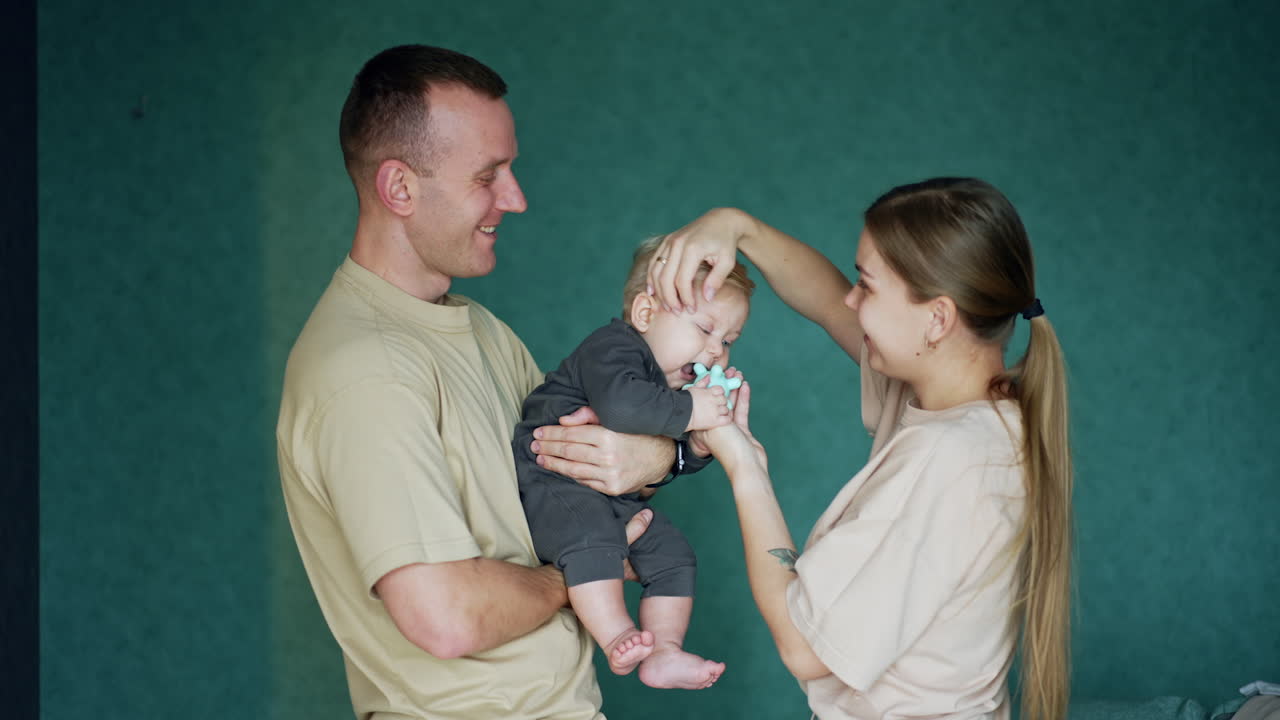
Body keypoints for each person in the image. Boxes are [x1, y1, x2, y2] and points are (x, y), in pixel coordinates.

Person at [276, 45, 681, 720]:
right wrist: (574, 577)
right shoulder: (365, 371)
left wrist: (657, 455)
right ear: (399, 188)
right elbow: (446, 619)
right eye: (487, 176)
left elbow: (590, 470)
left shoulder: (479, 330)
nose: (516, 199)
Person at [645, 178, 1072, 720]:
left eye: (867, 286)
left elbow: (806, 648)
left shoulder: (953, 458)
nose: (851, 297)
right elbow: (826, 300)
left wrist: (744, 465)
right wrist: (737, 226)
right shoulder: (965, 405)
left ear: (937, 319)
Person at [513, 235, 754, 689]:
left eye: (729, 340)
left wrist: (699, 446)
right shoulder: (615, 348)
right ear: (645, 314)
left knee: (673, 554)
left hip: (607, 493)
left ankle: (664, 650)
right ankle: (615, 634)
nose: (716, 351)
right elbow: (622, 409)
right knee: (593, 538)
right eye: (704, 329)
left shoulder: (667, 387)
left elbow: (661, 457)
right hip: (552, 480)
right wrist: (693, 410)